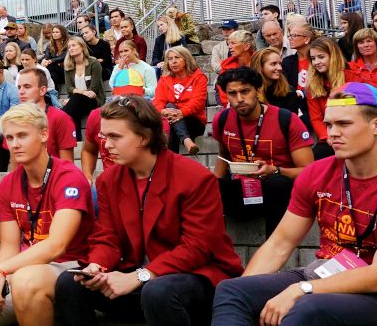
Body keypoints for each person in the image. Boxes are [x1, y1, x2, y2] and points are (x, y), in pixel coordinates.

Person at [211, 83, 377, 326]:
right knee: (233, 291)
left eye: (344, 124)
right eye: (329, 124)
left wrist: (303, 289)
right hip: (324, 270)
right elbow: (280, 243)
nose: (332, 133)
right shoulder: (316, 173)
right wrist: (252, 292)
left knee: (307, 307)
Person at [55, 96, 244, 326]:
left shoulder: (195, 178)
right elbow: (107, 237)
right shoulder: (108, 180)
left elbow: (197, 247)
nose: (106, 145)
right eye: (104, 136)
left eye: (115, 137)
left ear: (144, 137)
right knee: (70, 283)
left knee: (157, 291)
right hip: (141, 276)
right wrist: (96, 266)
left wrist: (141, 276)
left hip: (198, 277)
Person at [0, 104, 93, 326]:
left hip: (71, 267)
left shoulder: (69, 177)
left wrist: (2, 270)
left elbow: (56, 245)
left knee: (25, 280)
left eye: (22, 136)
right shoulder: (8, 184)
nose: (15, 144)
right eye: (10, 138)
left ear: (44, 134)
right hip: (23, 269)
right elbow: (9, 247)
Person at [212, 67, 317, 234]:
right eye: (232, 94)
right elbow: (223, 157)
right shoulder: (222, 119)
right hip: (244, 191)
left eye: (245, 91)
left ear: (258, 90)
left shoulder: (287, 120)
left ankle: (273, 250)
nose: (239, 99)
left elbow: (309, 172)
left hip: (279, 192)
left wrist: (275, 171)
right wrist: (211, 185)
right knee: (204, 186)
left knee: (276, 183)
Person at [153, 46, 209, 154]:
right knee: (170, 110)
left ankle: (171, 161)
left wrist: (181, 112)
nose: (173, 62)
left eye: (177, 58)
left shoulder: (198, 77)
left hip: (194, 121)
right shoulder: (164, 80)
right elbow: (157, 102)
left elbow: (198, 102)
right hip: (172, 120)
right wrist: (163, 111)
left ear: (186, 59)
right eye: (170, 59)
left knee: (170, 119)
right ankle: (186, 140)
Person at [15, 68, 77, 162]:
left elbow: (67, 165)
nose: (21, 92)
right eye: (19, 87)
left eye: (27, 87)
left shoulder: (60, 118)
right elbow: (15, 167)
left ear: (42, 90)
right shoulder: (15, 119)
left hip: (53, 175)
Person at [253, 47, 310, 130]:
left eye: (280, 63)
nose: (279, 68)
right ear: (260, 67)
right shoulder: (249, 91)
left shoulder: (288, 91)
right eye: (273, 64)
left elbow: (290, 124)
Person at [61, 37, 106, 140]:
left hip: (93, 100)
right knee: (74, 110)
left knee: (74, 101)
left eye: (74, 45)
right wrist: (80, 93)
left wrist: (75, 95)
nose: (71, 48)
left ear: (82, 47)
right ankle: (76, 141)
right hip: (76, 102)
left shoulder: (94, 63)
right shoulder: (68, 66)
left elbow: (93, 89)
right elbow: (68, 88)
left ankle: (67, 134)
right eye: (69, 47)